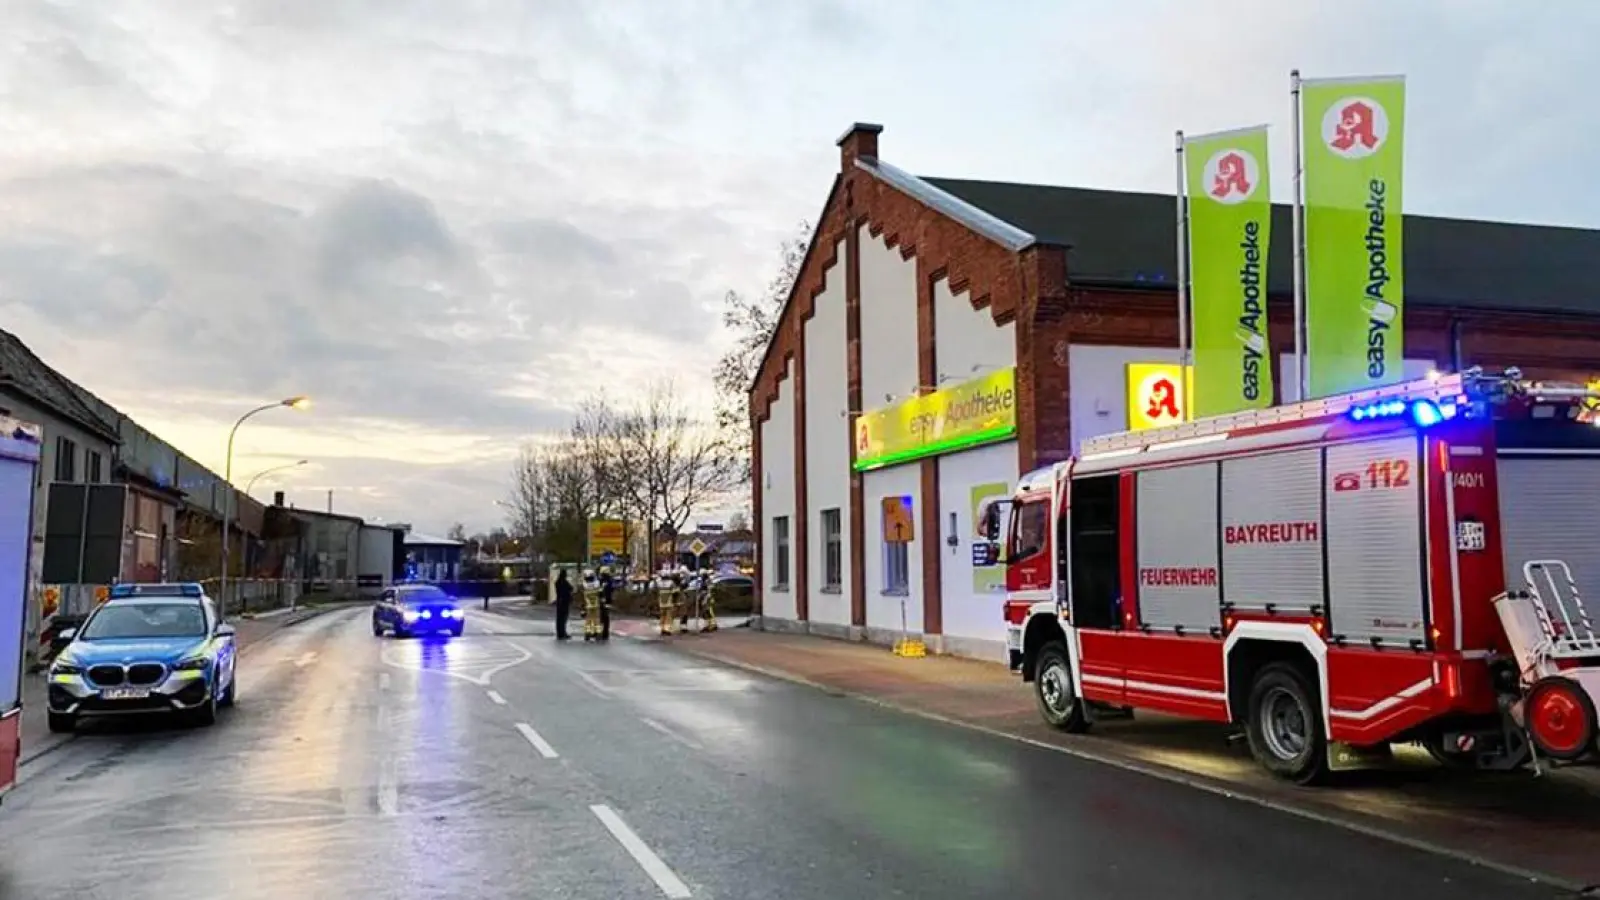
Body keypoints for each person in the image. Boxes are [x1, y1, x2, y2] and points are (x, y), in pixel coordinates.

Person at [553, 569, 573, 640]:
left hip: (559, 602)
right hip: (564, 602)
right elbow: (571, 588)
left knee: (559, 619)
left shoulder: (558, 582)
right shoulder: (564, 582)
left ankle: (560, 633)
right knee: (563, 618)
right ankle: (563, 633)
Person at [597, 566, 615, 641]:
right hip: (607, 600)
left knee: (602, 617)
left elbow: (598, 590)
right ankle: (605, 633)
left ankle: (601, 632)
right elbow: (612, 589)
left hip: (602, 600)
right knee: (606, 617)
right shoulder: (610, 580)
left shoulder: (601, 580)